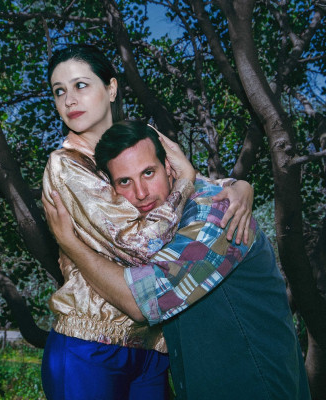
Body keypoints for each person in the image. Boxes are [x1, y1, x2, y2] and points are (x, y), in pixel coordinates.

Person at [41, 44, 255, 400]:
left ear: (111, 88)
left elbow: (197, 195)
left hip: (154, 348)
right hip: (89, 346)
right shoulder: (66, 165)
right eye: (59, 91)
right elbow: (141, 245)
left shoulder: (142, 141)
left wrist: (239, 187)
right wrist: (185, 181)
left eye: (80, 85)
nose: (69, 100)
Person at [44, 120, 311, 400]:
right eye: (124, 182)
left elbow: (139, 302)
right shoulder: (161, 225)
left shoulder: (216, 215)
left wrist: (69, 243)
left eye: (148, 173)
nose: (141, 193)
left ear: (169, 167)